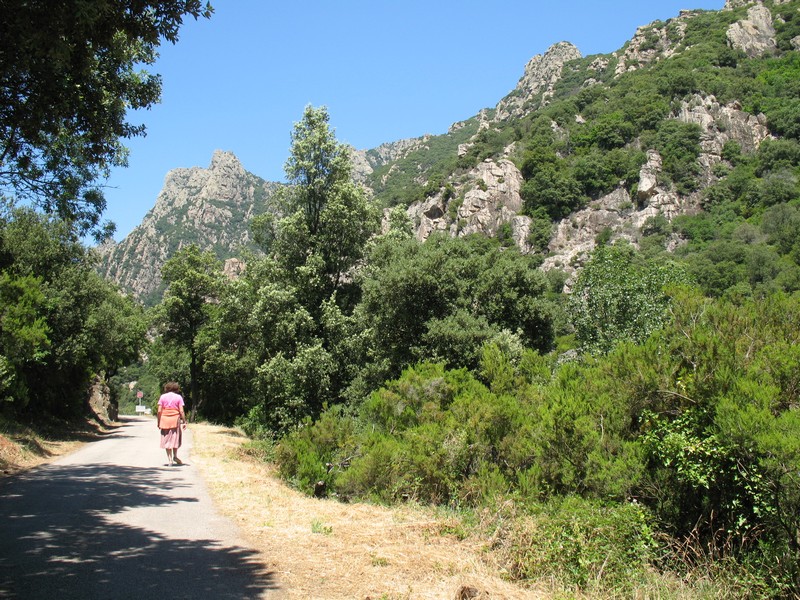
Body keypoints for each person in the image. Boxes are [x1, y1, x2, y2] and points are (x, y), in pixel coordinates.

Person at [157, 382, 187, 466]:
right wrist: (184, 421)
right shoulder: (178, 397)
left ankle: (169, 460)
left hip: (164, 419)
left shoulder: (162, 397)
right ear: (176, 389)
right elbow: (181, 411)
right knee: (175, 438)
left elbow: (159, 411)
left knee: (166, 439)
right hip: (175, 420)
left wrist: (159, 421)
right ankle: (175, 456)